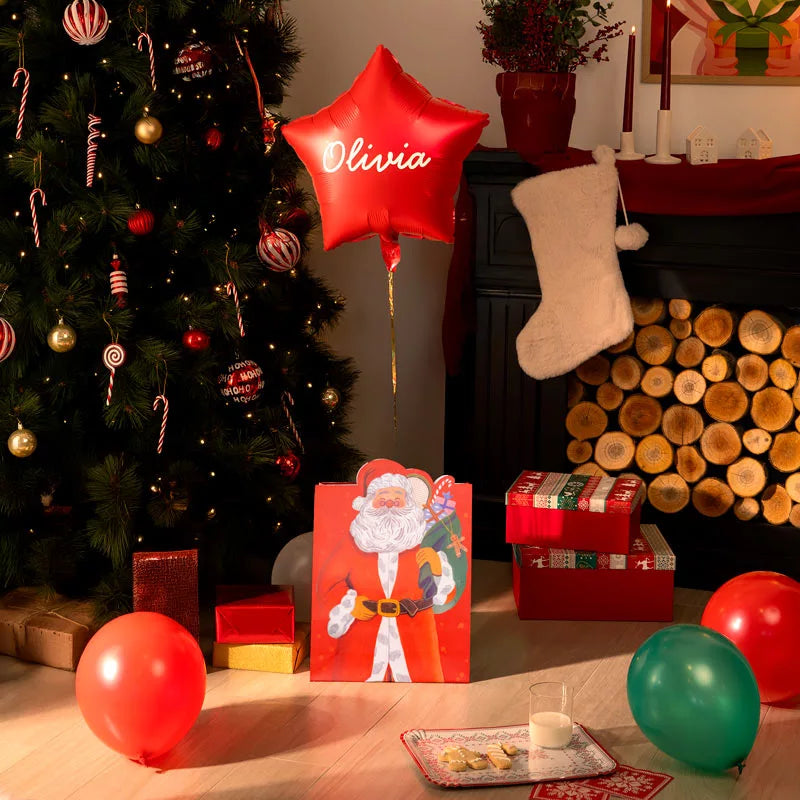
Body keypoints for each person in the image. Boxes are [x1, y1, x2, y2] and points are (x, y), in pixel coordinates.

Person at [316, 464, 456, 682]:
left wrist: (438, 568)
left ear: (409, 504)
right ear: (367, 504)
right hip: (362, 634)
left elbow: (446, 596)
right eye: (382, 497)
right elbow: (329, 584)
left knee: (422, 691)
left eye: (397, 497)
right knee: (352, 696)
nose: (390, 503)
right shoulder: (352, 543)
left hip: (416, 634)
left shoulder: (423, 542)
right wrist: (351, 604)